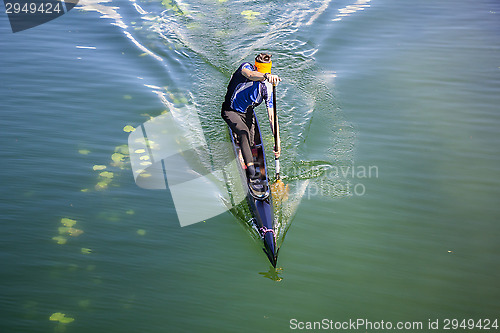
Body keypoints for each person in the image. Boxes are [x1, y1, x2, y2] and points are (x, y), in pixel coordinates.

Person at [221, 53, 281, 193]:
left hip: (247, 113)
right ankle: (253, 176)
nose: (266, 76)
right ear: (256, 67)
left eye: (268, 73)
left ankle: (247, 153)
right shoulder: (246, 68)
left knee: (253, 144)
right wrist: (265, 76)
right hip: (230, 110)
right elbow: (250, 75)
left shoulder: (268, 88)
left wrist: (277, 140)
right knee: (244, 134)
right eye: (263, 73)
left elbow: (272, 117)